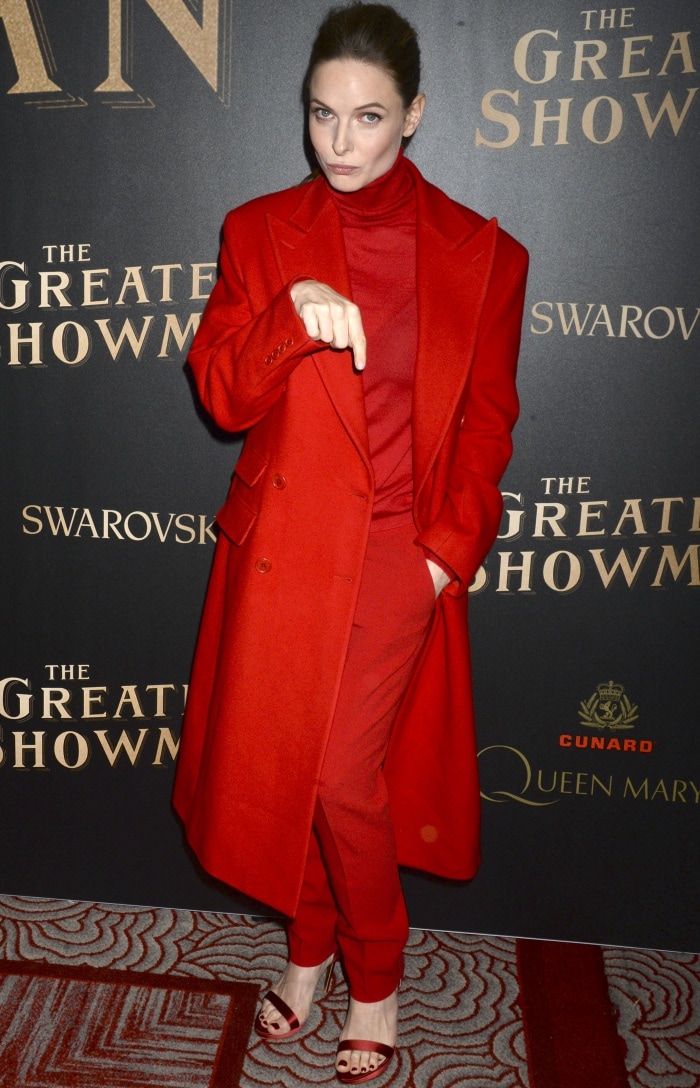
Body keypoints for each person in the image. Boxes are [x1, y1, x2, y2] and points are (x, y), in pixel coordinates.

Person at [173, 2, 528, 1082]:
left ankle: (372, 973)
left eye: (368, 116)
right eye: (321, 114)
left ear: (412, 115)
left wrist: (441, 553)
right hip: (286, 546)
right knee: (317, 772)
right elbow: (224, 394)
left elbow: (486, 422)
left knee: (335, 771)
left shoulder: (487, 254)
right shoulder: (256, 232)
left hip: (393, 551)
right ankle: (307, 954)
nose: (339, 141)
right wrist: (292, 309)